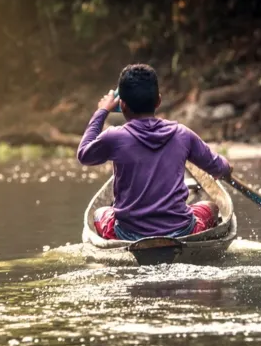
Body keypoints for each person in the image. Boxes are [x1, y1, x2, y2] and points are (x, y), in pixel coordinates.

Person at [77, 64, 232, 241]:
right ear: (158, 101)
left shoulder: (114, 137)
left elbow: (84, 154)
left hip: (127, 234)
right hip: (182, 231)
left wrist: (102, 111)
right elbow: (219, 168)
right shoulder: (182, 134)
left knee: (100, 213)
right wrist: (227, 168)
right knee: (211, 207)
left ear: (122, 106)